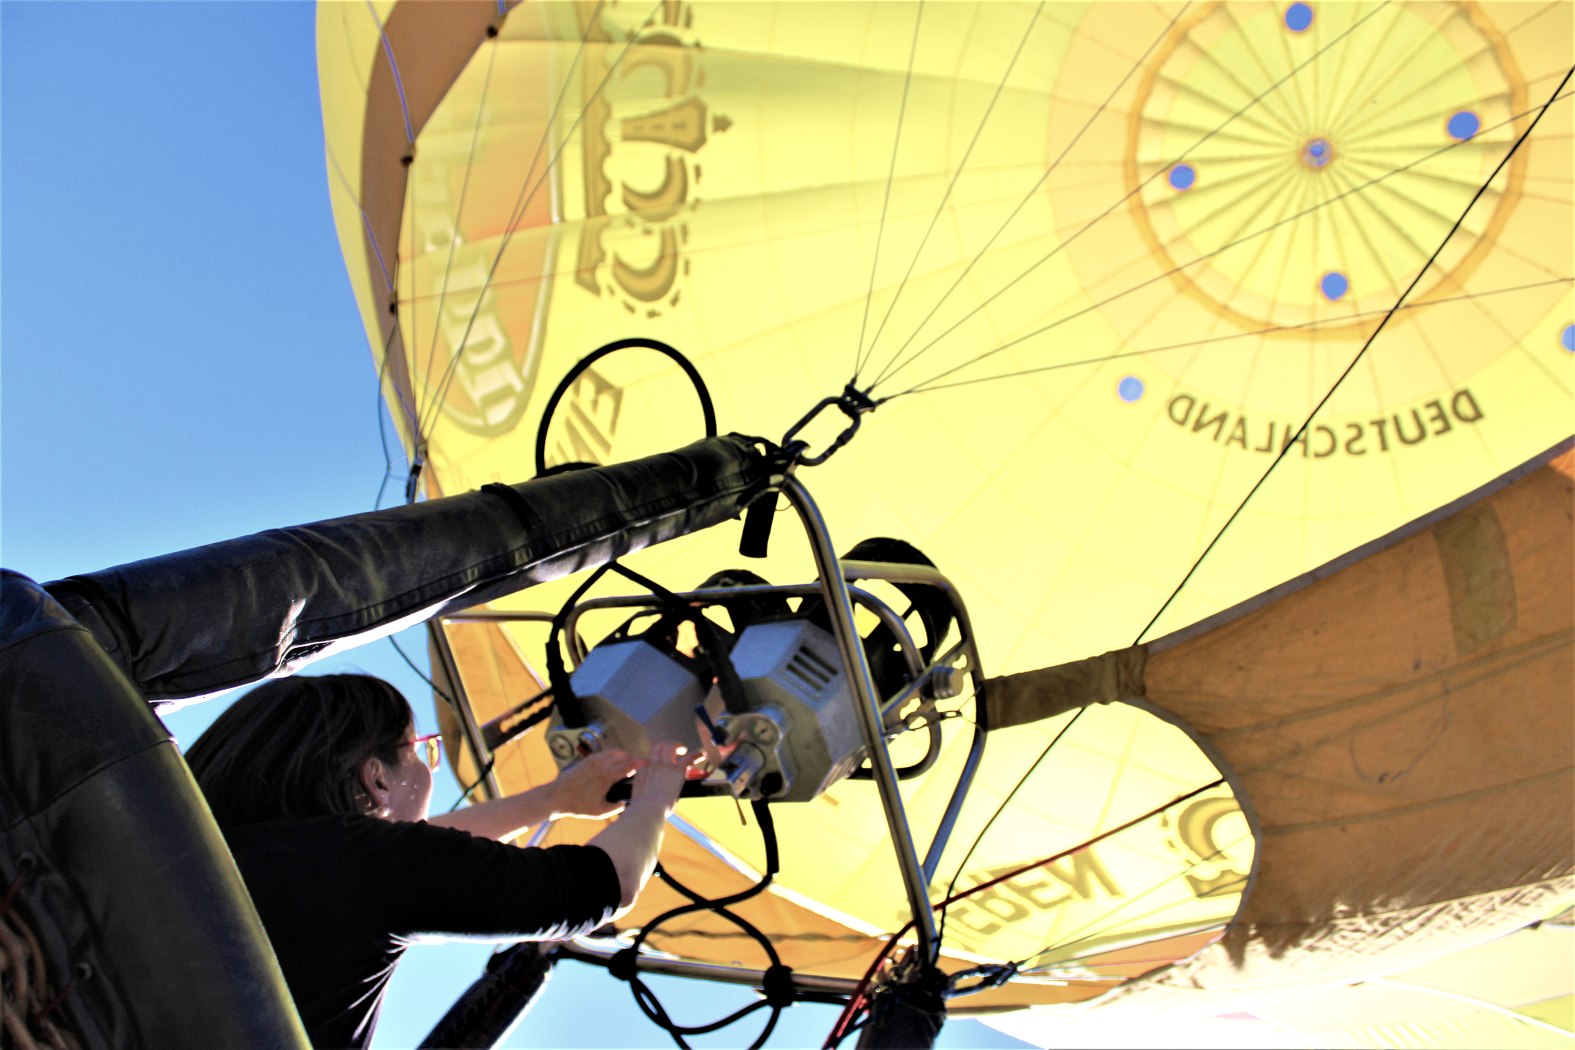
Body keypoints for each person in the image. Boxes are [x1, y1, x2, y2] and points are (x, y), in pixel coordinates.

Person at [182, 672, 689, 1050]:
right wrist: (657, 794)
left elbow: (404, 859)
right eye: (421, 751)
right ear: (376, 778)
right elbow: (604, 884)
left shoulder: (195, 854)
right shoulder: (366, 864)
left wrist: (549, 800)